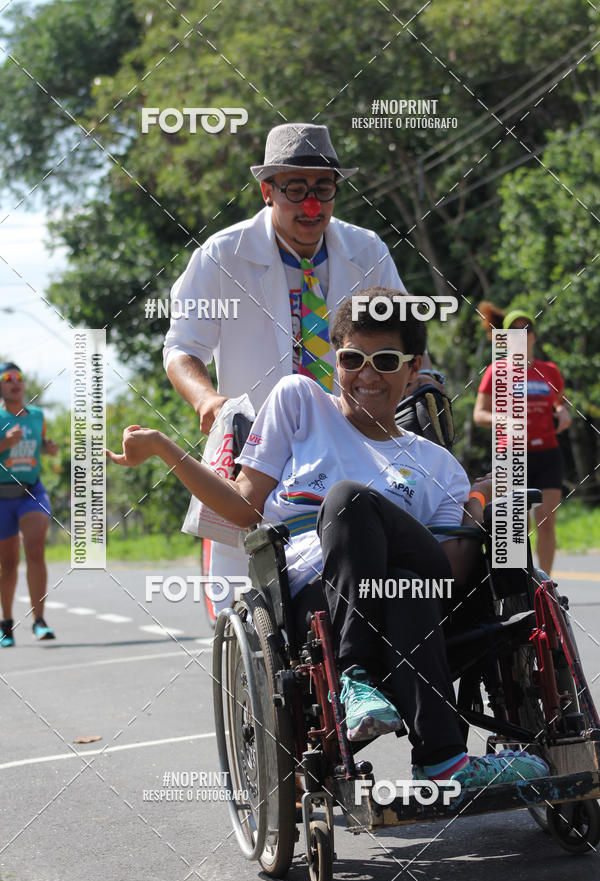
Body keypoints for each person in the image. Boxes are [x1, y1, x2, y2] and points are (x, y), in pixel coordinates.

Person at [112, 288, 548, 788]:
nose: (366, 374)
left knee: (408, 568)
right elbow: (241, 506)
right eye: (351, 358)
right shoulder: (299, 402)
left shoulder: (436, 463)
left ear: (413, 368)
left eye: (385, 360)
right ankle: (403, 722)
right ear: (334, 360)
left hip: (423, 601)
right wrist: (166, 449)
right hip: (316, 598)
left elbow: (448, 572)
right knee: (351, 507)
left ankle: (414, 730)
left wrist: (476, 506)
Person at [163, 121, 408, 601]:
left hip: (352, 442)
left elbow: (399, 340)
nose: (311, 204)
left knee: (361, 575)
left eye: (323, 188)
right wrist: (207, 400)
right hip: (260, 450)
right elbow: (182, 348)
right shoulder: (222, 256)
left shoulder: (367, 251)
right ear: (267, 192)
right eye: (295, 189)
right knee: (248, 600)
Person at [474, 306, 571, 574]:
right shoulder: (496, 372)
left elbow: (561, 405)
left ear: (534, 336)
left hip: (548, 453)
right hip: (512, 454)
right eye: (514, 331)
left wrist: (564, 414)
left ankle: (546, 585)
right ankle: (521, 585)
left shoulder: (549, 371)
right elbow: (479, 414)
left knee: (546, 520)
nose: (522, 335)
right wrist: (502, 420)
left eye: (526, 329)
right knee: (518, 525)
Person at [0, 362, 58, 646]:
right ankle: (6, 624)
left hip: (31, 491)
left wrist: (49, 448)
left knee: (35, 550)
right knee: (8, 564)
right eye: (8, 378)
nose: (15, 382)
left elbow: (42, 443)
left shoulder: (36, 416)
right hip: (1, 497)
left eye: (18, 377)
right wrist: (4, 444)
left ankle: (39, 621)